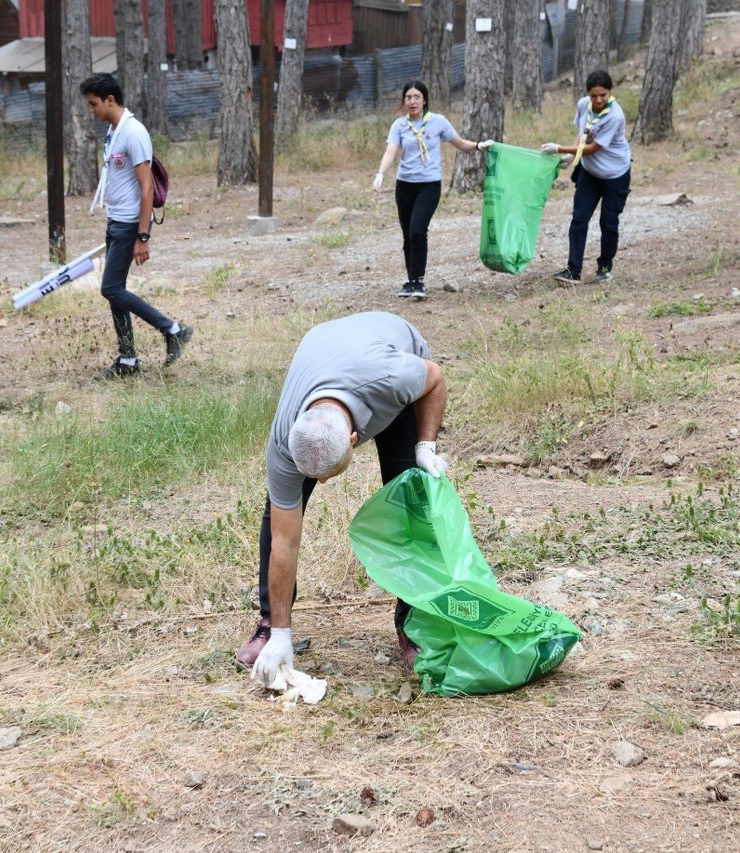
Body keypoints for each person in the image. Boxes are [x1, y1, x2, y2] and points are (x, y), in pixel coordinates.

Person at [235, 312, 450, 688]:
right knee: (278, 516)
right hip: (327, 350)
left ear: (355, 439)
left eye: (328, 475)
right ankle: (271, 625)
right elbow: (286, 540)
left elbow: (435, 378)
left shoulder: (393, 378)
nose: (321, 484)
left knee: (409, 503)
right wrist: (283, 634)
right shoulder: (285, 441)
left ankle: (414, 622)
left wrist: (425, 446)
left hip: (387, 356)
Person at [80, 73, 191, 380]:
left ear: (110, 100)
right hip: (115, 220)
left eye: (93, 104)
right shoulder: (113, 131)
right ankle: (128, 359)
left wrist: (143, 235)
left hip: (130, 223)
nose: (92, 111)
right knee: (116, 290)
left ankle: (172, 329)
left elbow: (147, 189)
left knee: (111, 288)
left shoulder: (133, 132)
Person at [372, 80, 495, 300]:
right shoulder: (399, 125)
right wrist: (381, 173)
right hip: (405, 185)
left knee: (418, 229)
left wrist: (479, 146)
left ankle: (419, 281)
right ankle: (411, 281)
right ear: (404, 101)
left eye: (416, 97)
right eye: (408, 98)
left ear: (425, 100)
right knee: (408, 234)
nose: (412, 102)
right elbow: (390, 151)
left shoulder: (438, 122)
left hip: (429, 185)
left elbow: (459, 143)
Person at [541, 69, 632, 285]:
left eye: (603, 95)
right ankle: (574, 271)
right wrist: (571, 155)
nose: (599, 99)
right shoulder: (584, 105)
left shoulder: (614, 116)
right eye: (594, 95)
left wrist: (560, 149)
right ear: (588, 94)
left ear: (610, 92)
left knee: (608, 223)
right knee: (579, 219)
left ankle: (605, 266)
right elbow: (583, 134)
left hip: (614, 174)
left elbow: (593, 148)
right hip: (590, 173)